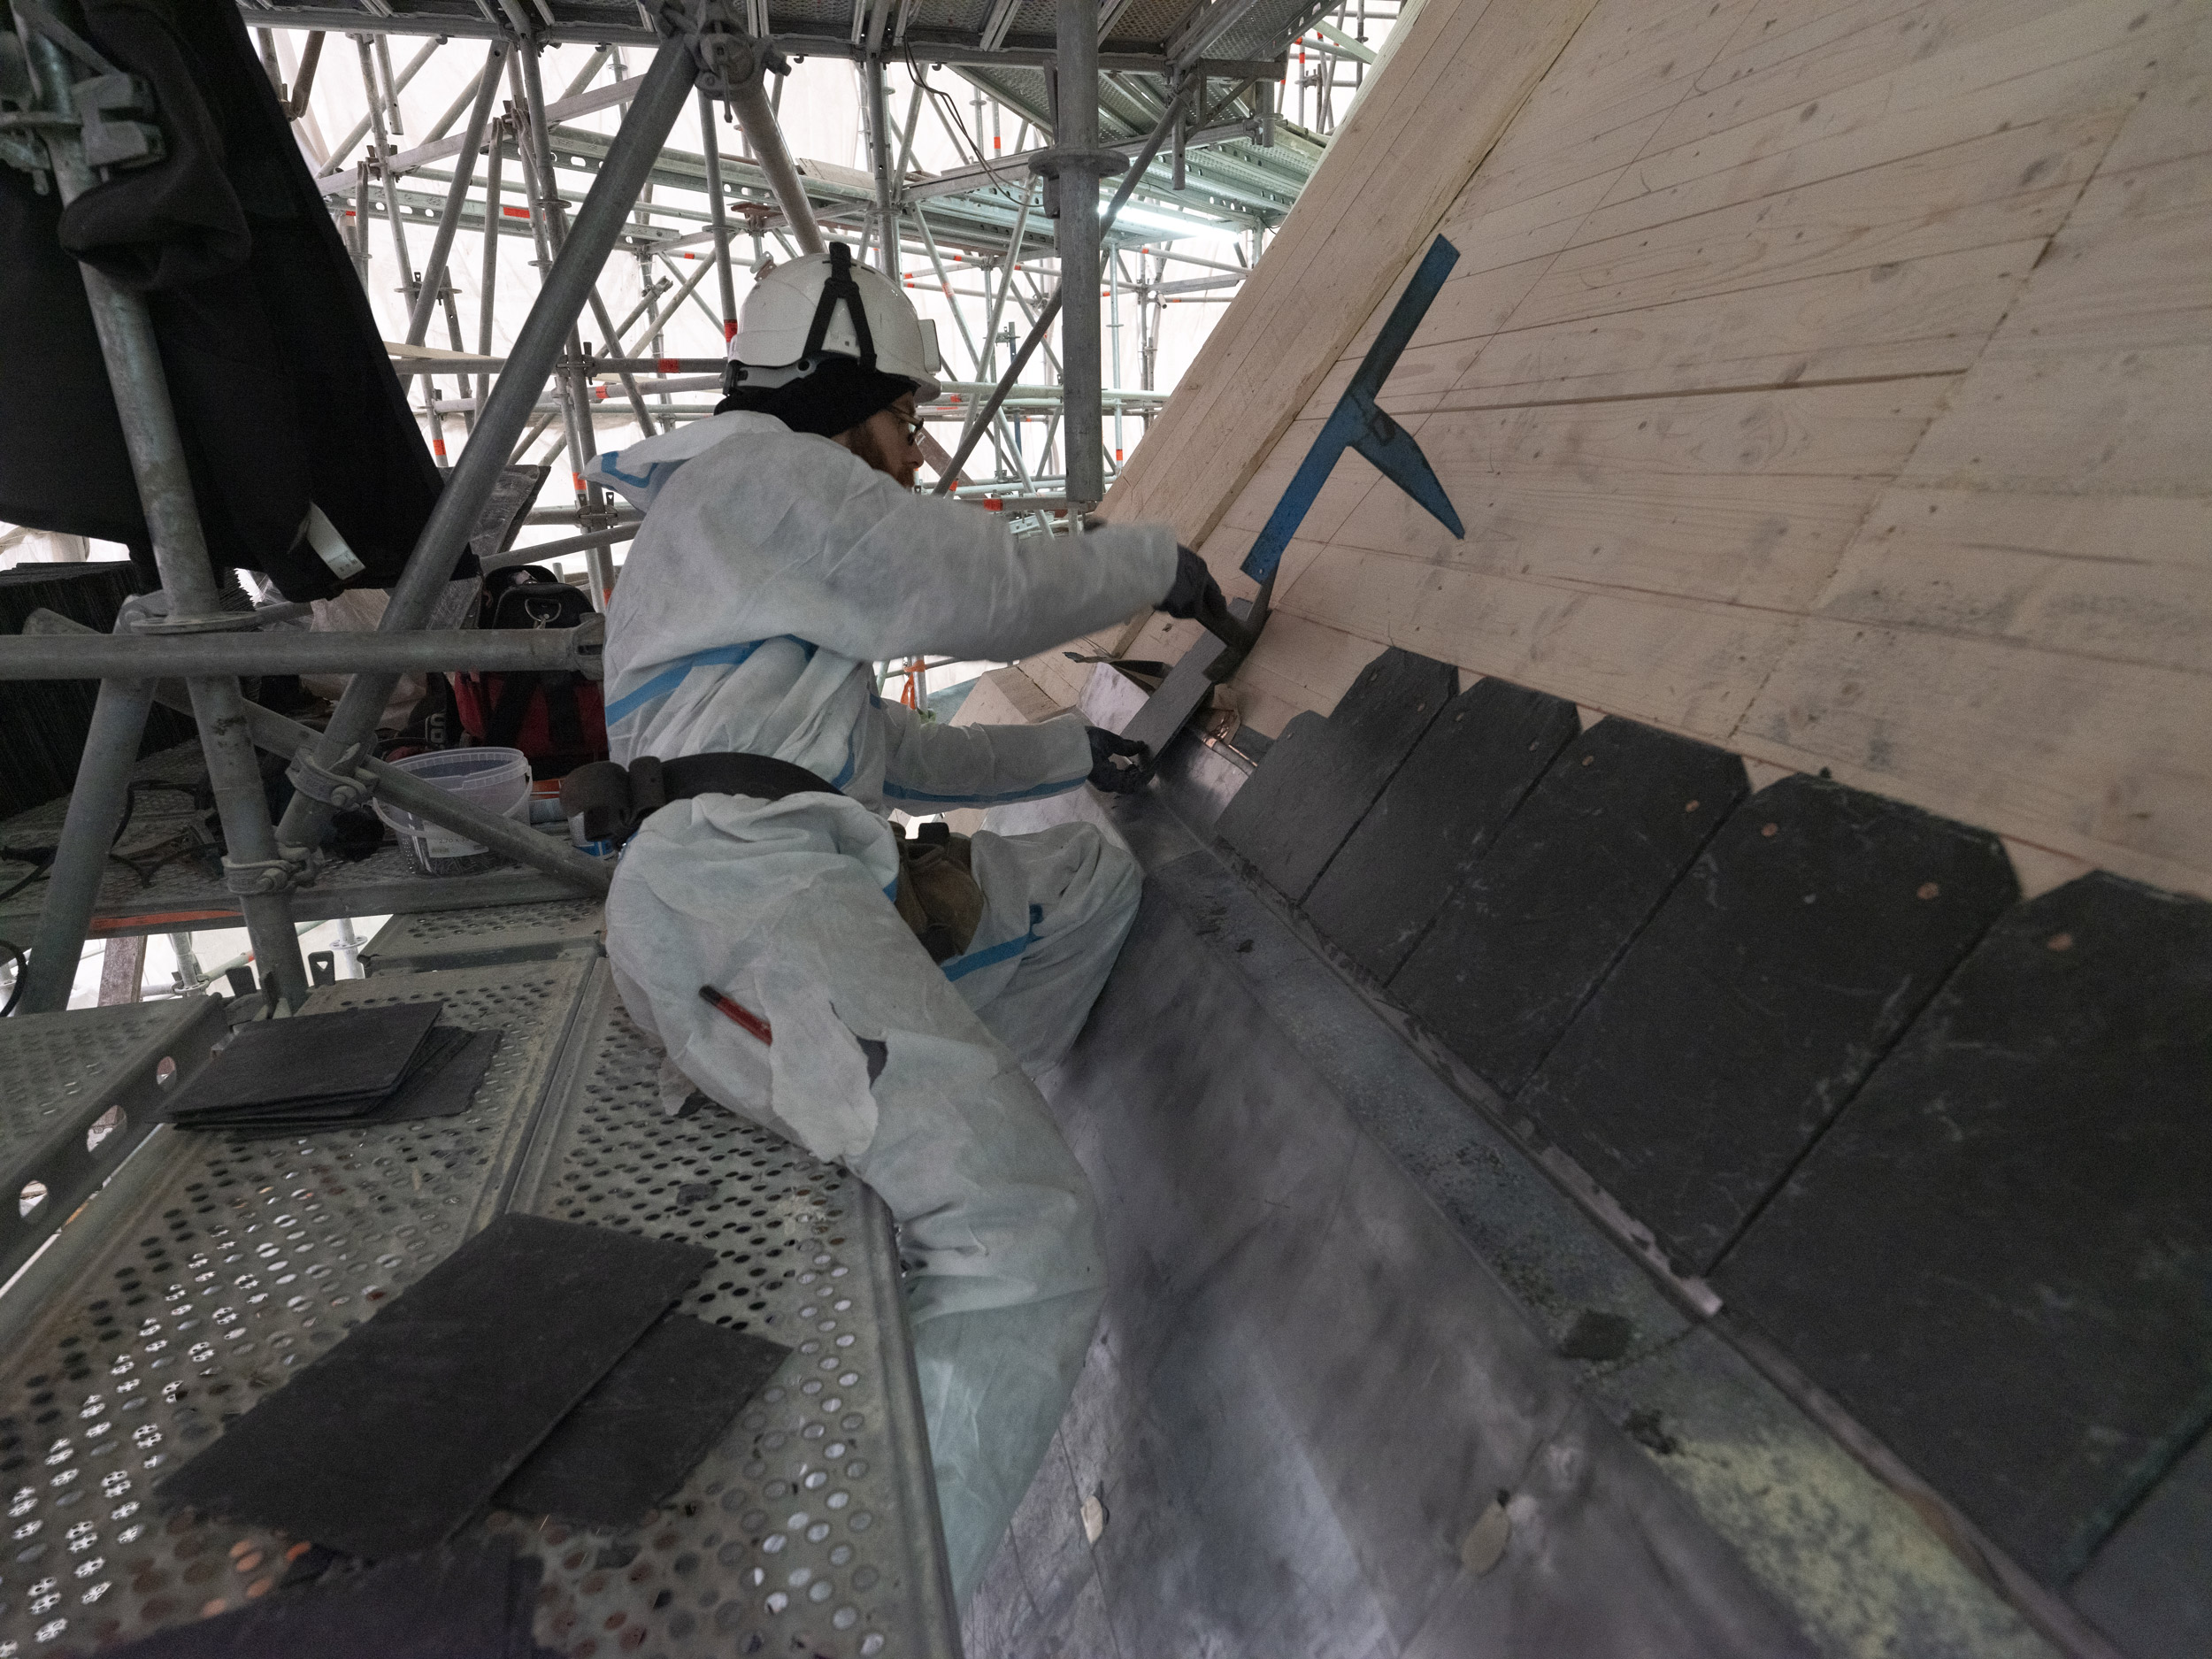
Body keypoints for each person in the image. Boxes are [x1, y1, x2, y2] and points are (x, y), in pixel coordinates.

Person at [581, 242, 1225, 1604]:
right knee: (1023, 1235)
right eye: (908, 416)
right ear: (841, 391)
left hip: (767, 880)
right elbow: (979, 592)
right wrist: (1160, 566)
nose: (919, 454)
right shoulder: (766, 477)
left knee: (1085, 889)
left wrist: (1075, 760)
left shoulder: (740, 539)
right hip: (749, 905)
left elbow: (885, 749)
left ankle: (906, 1124)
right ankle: (851, 1619)